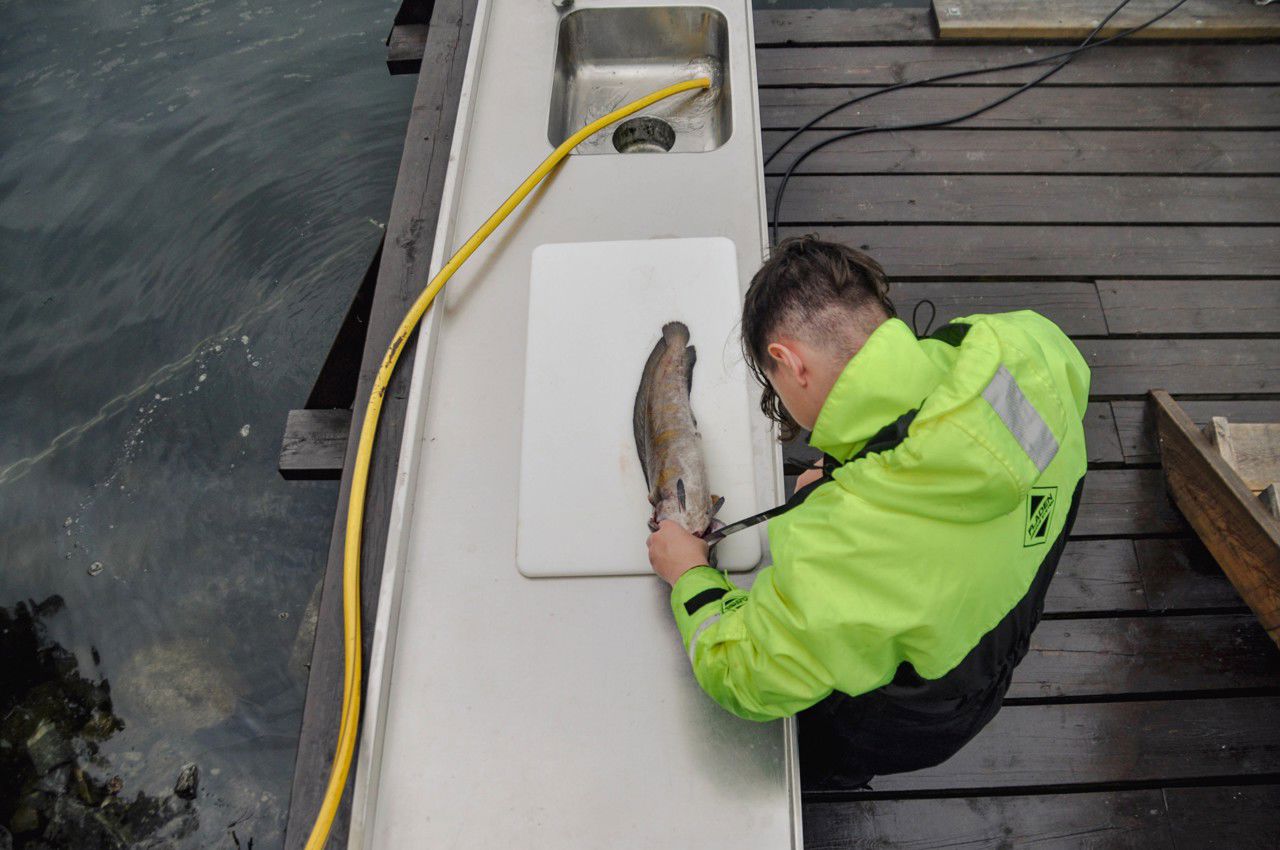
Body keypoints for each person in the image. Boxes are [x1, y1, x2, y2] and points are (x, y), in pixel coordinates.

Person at [645, 236, 1090, 787]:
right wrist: (861, 465)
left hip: (917, 716)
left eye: (777, 387)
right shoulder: (1025, 345)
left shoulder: (836, 547)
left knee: (826, 752)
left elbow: (744, 675)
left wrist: (690, 574)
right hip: (1005, 624)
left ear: (789, 362)